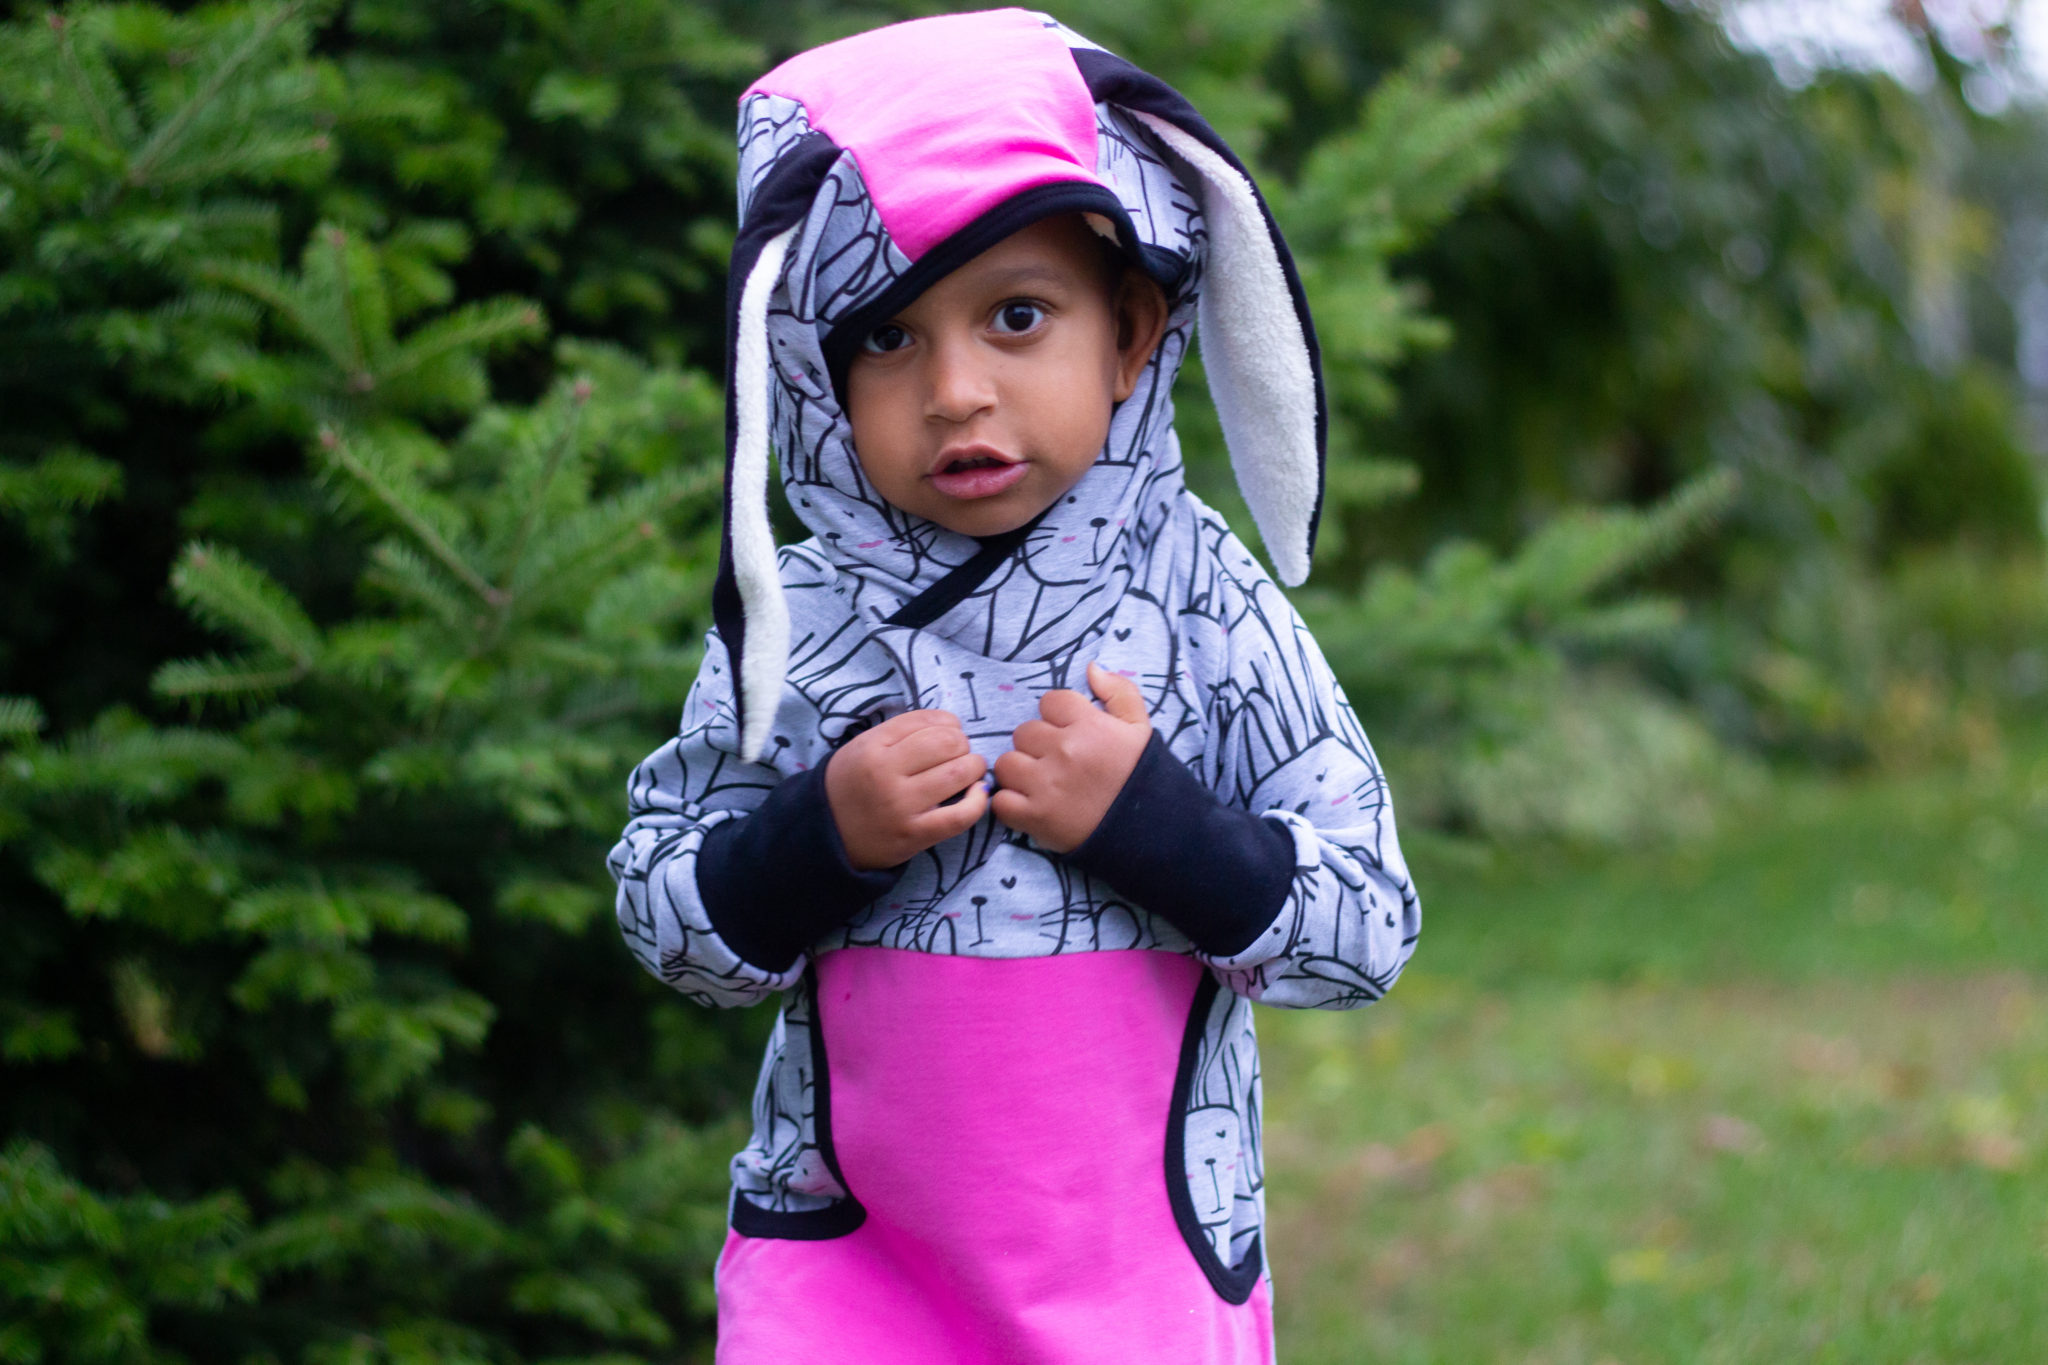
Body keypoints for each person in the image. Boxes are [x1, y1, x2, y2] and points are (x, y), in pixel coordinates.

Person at [607, 9, 1420, 1362]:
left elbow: (1370, 924)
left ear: (1132, 332)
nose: (957, 390)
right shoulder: (799, 614)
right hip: (850, 1266)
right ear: (811, 373)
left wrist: (1158, 825)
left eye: (1018, 315)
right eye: (887, 338)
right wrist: (819, 837)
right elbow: (662, 905)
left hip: (1133, 1265)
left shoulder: (1202, 600)